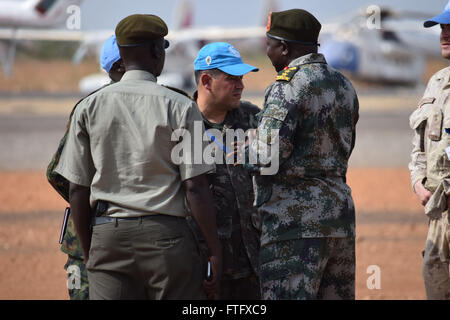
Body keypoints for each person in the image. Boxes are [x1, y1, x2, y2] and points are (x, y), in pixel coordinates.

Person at [53, 14, 222, 300]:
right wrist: (215, 252)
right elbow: (195, 188)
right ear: (157, 51)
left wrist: (90, 252)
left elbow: (77, 190)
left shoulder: (88, 107)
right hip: (166, 239)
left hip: (108, 239)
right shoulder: (180, 106)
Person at [238, 9, 359, 299]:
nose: (266, 52)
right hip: (339, 219)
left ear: (284, 47)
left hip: (294, 225)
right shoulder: (344, 85)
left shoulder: (287, 87)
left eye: (269, 44)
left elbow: (266, 157)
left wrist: (245, 149)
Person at [46, 34, 125, 300]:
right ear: (119, 67)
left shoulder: (88, 106)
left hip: (90, 239)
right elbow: (62, 176)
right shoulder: (92, 108)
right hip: (92, 242)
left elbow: (57, 173)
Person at [189, 42, 261, 299]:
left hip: (253, 264)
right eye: (232, 78)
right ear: (206, 80)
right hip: (201, 265)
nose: (241, 85)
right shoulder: (180, 122)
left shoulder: (254, 119)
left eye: (241, 78)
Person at [408, 1, 450, 300]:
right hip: (438, 211)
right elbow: (420, 142)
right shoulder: (437, 82)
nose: (443, 35)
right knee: (436, 282)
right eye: (442, 28)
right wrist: (417, 180)